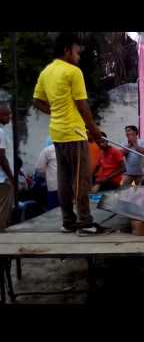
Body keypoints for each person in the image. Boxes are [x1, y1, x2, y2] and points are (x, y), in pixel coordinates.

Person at [33, 33, 103, 234]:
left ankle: (68, 222)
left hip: (57, 134)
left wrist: (54, 111)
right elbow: (82, 106)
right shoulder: (73, 72)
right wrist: (96, 133)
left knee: (64, 179)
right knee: (82, 179)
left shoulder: (46, 72)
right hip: (74, 133)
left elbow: (36, 100)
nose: (79, 56)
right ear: (67, 50)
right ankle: (86, 222)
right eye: (77, 52)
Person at [0, 103, 14, 231]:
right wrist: (11, 176)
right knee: (3, 211)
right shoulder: (0, 132)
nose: (9, 117)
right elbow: (2, 157)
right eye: (6, 114)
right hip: (2, 179)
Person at [35, 143, 59, 210]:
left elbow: (39, 168)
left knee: (53, 211)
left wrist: (47, 175)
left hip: (54, 186)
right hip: (70, 186)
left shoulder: (48, 150)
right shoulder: (72, 148)